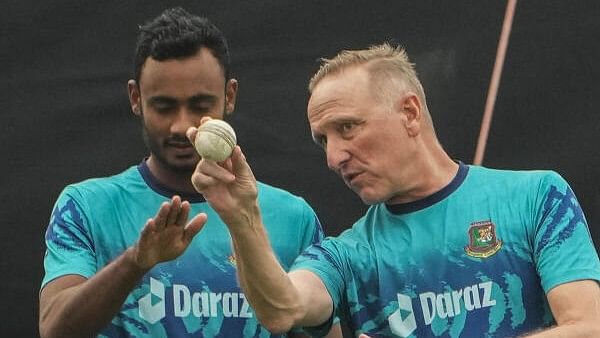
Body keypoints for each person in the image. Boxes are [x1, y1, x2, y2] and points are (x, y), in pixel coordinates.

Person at [189, 43, 600, 337]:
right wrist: (241, 217)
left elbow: (588, 326)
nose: (335, 157)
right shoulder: (347, 254)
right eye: (323, 140)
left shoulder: (536, 196)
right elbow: (283, 309)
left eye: (347, 127)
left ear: (409, 113)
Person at [39, 7, 341, 338]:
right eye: (163, 106)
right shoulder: (86, 206)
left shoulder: (292, 217)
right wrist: (135, 262)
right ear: (136, 98)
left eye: (200, 106)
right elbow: (54, 330)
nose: (182, 126)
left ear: (229, 96)